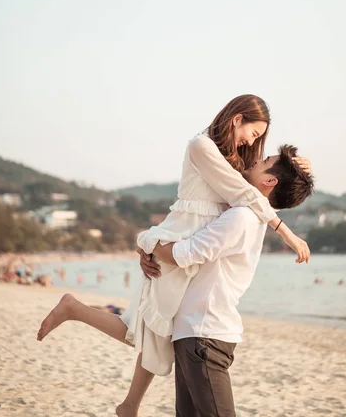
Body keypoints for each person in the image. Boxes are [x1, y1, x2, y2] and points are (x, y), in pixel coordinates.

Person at [37, 95, 313, 417]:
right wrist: (286, 231)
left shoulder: (234, 161)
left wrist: (299, 164)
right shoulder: (202, 146)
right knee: (148, 329)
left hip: (191, 245)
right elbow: (249, 193)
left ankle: (128, 404)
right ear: (237, 119)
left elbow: (271, 184)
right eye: (253, 135)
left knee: (159, 330)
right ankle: (79, 316)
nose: (253, 145)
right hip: (180, 237)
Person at [140, 146, 314, 416]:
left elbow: (182, 254)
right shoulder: (246, 213)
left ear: (270, 181)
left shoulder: (241, 217)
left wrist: (146, 240)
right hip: (199, 335)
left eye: (265, 160)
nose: (257, 158)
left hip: (204, 336)